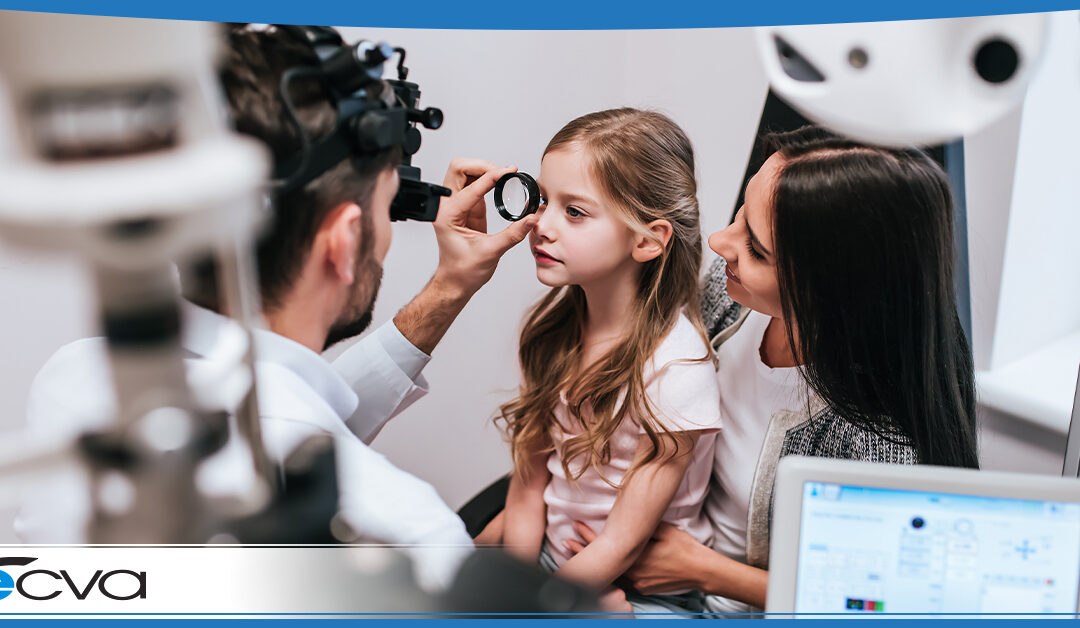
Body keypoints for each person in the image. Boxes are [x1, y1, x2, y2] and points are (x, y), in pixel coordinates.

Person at [15, 24, 537, 593]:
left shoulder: (75, 379)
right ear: (342, 240)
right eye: (388, 209)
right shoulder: (413, 540)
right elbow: (288, 427)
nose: (387, 236)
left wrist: (449, 287)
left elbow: (285, 412)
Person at [479, 126, 979, 613]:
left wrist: (706, 571)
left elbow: (874, 601)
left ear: (832, 287)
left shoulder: (881, 445)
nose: (719, 243)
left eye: (755, 248)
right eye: (740, 214)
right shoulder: (732, 294)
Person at [496, 109, 722, 615]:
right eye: (542, 200)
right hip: (555, 564)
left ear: (647, 240)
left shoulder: (676, 369)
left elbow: (621, 543)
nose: (541, 225)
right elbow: (528, 489)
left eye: (574, 212)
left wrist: (533, 605)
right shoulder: (551, 333)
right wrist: (514, 590)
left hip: (650, 590)